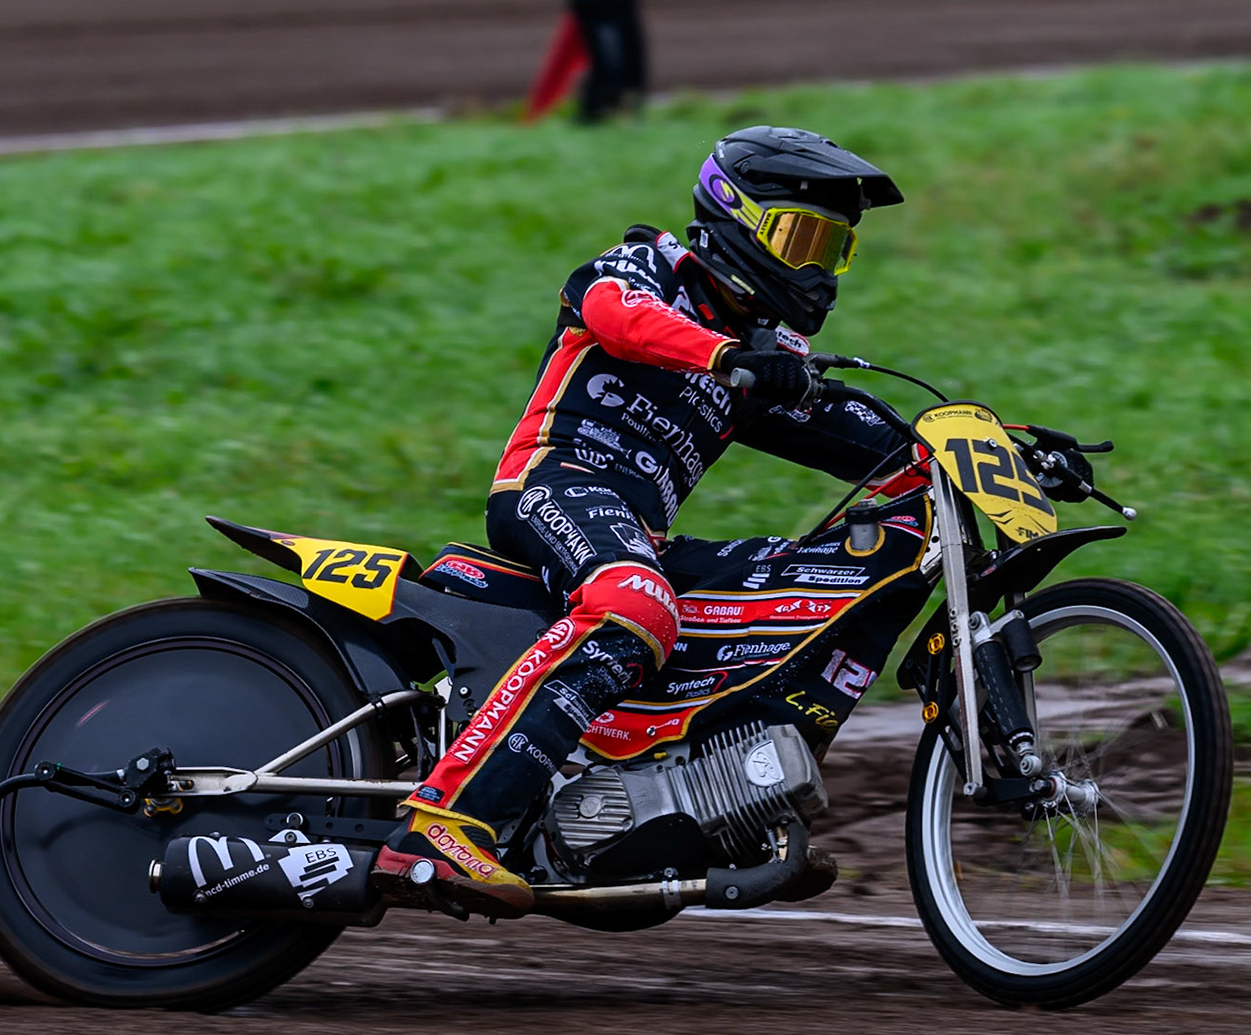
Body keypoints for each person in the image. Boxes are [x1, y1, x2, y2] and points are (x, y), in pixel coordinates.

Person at [373, 126, 921, 918]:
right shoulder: (648, 266)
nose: (817, 270)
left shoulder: (767, 354)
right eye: (801, 239)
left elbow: (880, 445)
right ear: (735, 217)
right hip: (554, 484)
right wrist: (726, 358)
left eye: (834, 250)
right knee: (636, 604)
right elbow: (615, 313)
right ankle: (443, 823)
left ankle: (717, 807)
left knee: (795, 584)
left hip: (635, 529)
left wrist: (1003, 453)